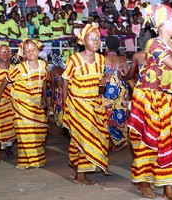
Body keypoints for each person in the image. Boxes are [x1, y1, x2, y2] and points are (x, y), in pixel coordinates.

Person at [127, 4, 172, 199]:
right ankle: (143, 182)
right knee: (148, 142)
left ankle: (168, 188)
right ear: (162, 25)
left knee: (171, 141)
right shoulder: (154, 44)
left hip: (166, 99)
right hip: (148, 98)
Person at [62, 24, 110, 186]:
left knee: (97, 136)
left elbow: (100, 85)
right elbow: (65, 80)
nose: (96, 41)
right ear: (82, 41)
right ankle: (80, 175)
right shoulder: (74, 60)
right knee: (85, 136)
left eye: (98, 38)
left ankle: (76, 162)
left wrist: (103, 82)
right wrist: (64, 103)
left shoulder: (101, 60)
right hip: (78, 104)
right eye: (92, 38)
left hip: (94, 103)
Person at [0, 39, 48, 169]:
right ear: (23, 53)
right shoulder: (19, 68)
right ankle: (27, 161)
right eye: (27, 51)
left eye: (33, 49)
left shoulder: (43, 65)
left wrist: (44, 97)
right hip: (22, 104)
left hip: (36, 103)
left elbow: (44, 81)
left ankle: (38, 159)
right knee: (26, 132)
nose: (31, 52)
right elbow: (6, 80)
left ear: (38, 50)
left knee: (40, 130)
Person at [102, 35, 130, 152]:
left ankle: (114, 141)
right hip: (121, 88)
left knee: (106, 114)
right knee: (120, 113)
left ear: (107, 47)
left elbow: (102, 76)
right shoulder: (122, 59)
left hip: (109, 88)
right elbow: (127, 76)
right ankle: (121, 139)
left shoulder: (103, 59)